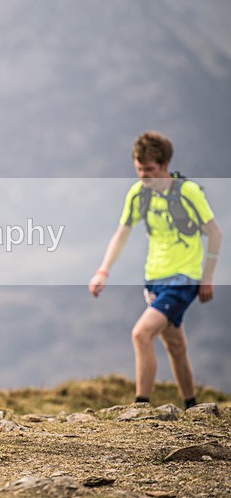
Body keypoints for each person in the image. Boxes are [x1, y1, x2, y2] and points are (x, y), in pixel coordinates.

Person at [89, 131, 222, 408]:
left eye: (149, 169)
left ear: (165, 164)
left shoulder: (188, 192)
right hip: (154, 279)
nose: (143, 175)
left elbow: (215, 233)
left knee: (141, 334)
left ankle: (141, 406)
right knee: (175, 346)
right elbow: (122, 232)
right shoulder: (139, 194)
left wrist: (207, 277)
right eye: (138, 169)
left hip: (184, 278)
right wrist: (103, 270)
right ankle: (193, 406)